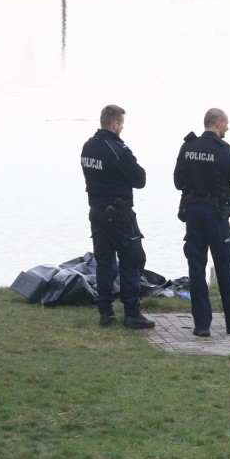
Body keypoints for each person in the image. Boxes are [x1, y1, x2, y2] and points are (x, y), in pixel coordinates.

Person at [173, 108, 230, 337]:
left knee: (196, 269)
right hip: (216, 216)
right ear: (218, 123)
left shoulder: (187, 147)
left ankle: (202, 325)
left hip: (192, 214)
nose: (228, 128)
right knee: (225, 268)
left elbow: (178, 182)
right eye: (227, 124)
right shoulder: (226, 151)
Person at [80, 105, 155, 330]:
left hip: (96, 212)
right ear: (115, 124)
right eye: (121, 124)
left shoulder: (88, 147)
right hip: (119, 214)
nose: (122, 128)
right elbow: (139, 179)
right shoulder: (117, 149)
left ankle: (105, 312)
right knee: (133, 259)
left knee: (104, 261)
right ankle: (132, 312)